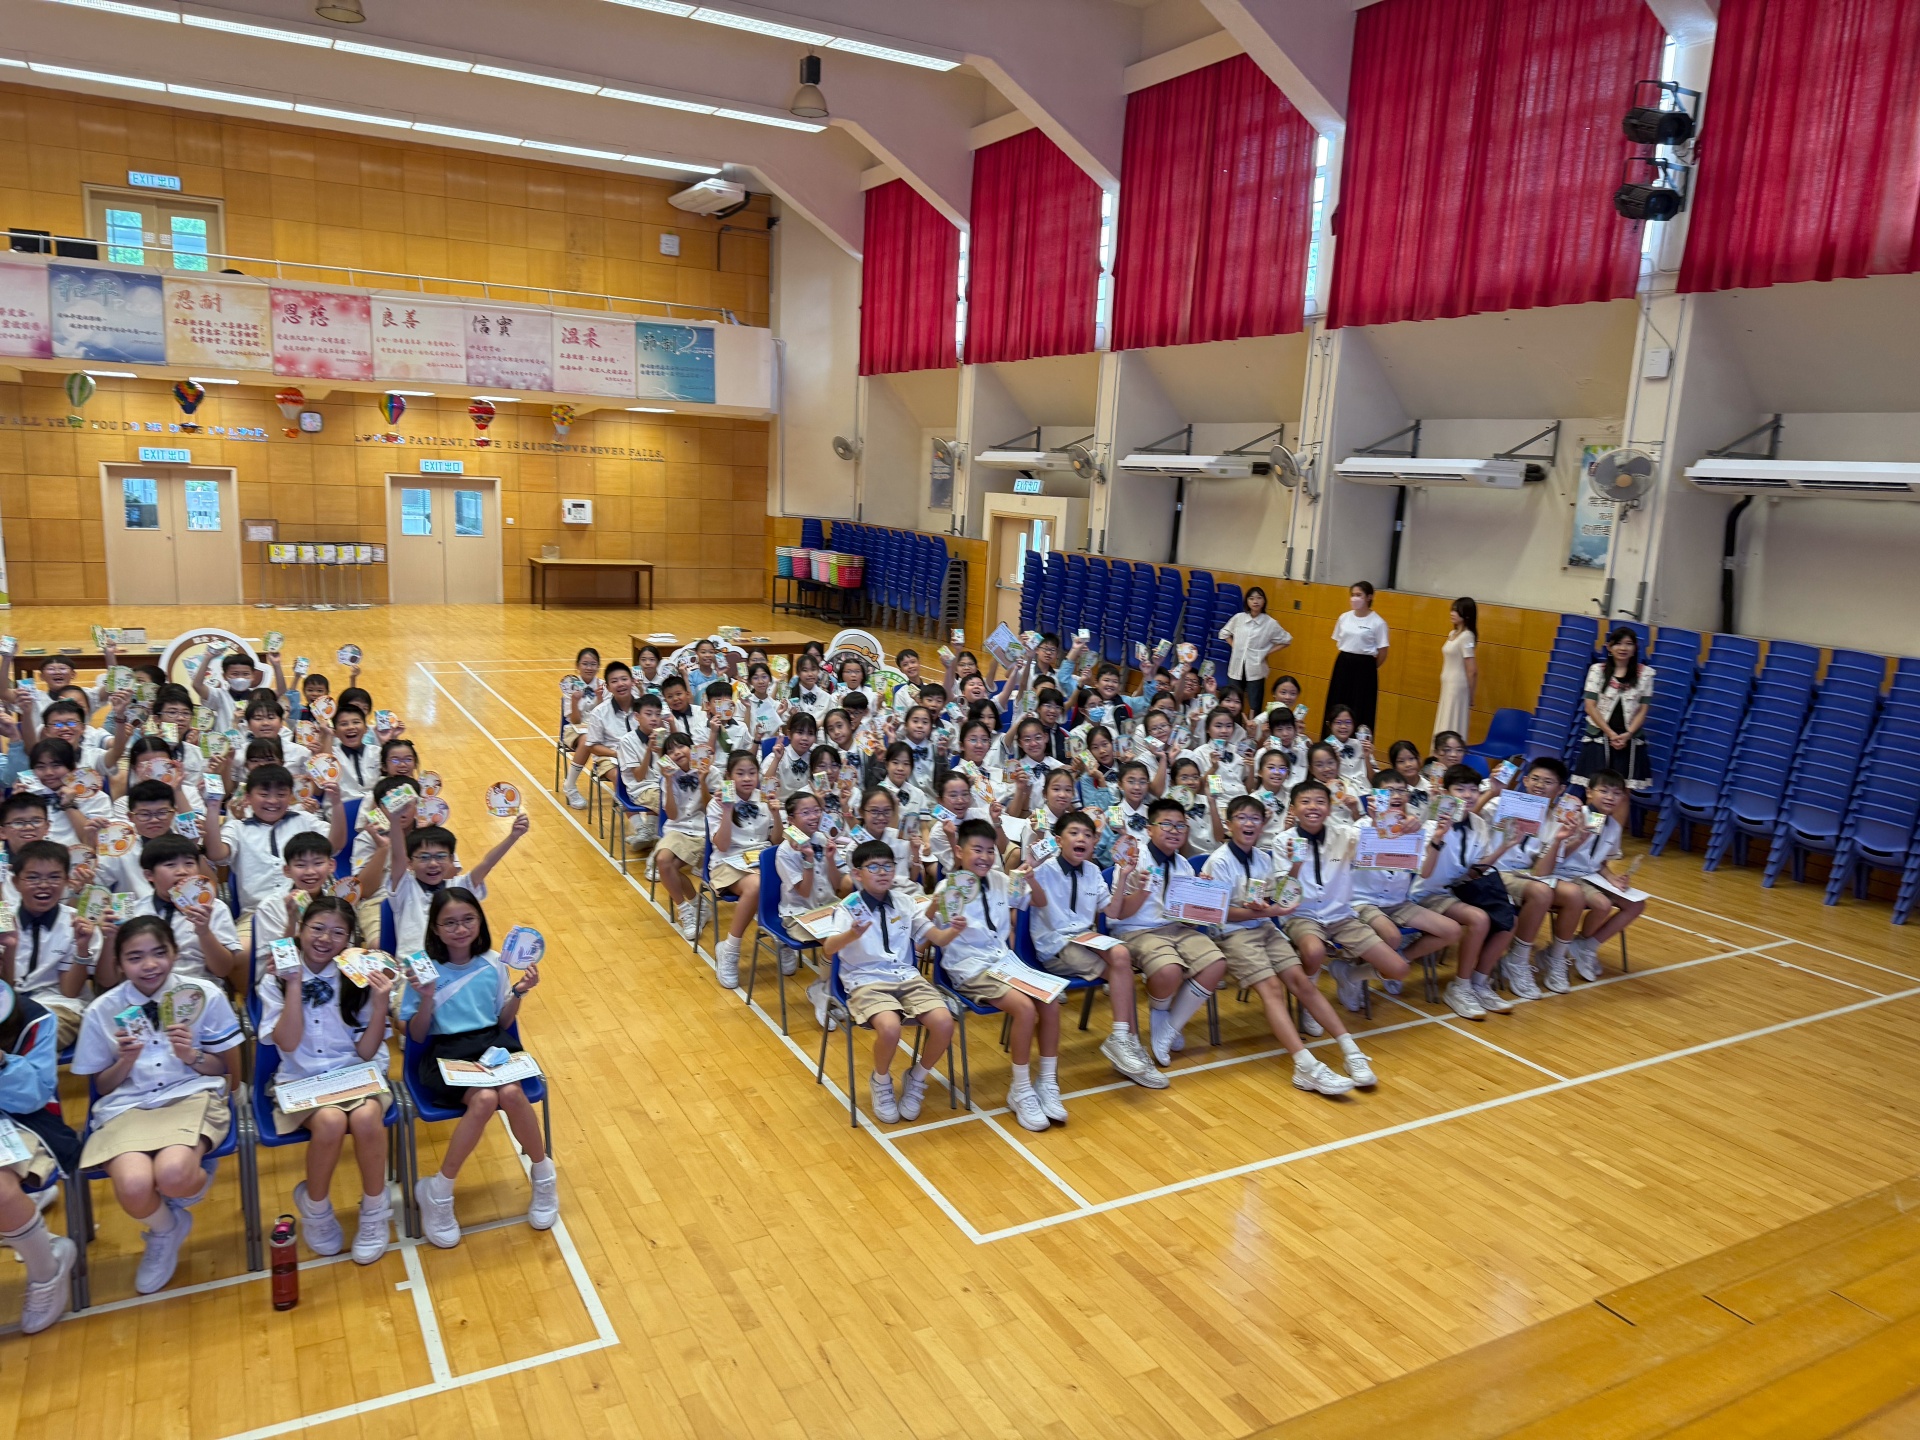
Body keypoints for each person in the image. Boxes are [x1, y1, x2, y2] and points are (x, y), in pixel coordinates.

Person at [71, 917, 244, 1294]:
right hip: (128, 1105)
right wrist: (125, 1061)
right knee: (133, 1186)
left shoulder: (203, 995)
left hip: (191, 1094)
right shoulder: (102, 1010)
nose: (149, 965)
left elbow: (226, 1070)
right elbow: (102, 1085)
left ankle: (189, 1176)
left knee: (174, 1175)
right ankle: (166, 1229)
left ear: (175, 953)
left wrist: (191, 1054)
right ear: (118, 964)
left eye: (158, 953)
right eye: (135, 957)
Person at [402, 889, 556, 1247]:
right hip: (446, 1052)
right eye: (450, 923)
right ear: (435, 928)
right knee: (485, 1099)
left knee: (512, 1094)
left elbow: (501, 1021)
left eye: (468, 919)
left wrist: (519, 992)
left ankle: (544, 1176)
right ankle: (440, 1192)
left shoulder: (493, 962)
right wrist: (426, 998)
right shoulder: (422, 968)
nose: (460, 929)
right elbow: (417, 1034)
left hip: (492, 1046)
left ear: (479, 921)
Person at [1203, 797, 1372, 1093]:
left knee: (1302, 982)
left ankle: (1351, 1050)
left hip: (1264, 927)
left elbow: (1278, 897)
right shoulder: (1218, 862)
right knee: (1272, 988)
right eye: (1241, 818)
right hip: (1232, 933)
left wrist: (1294, 866)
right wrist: (1267, 911)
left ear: (1262, 825)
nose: (1249, 823)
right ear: (1228, 825)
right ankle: (1305, 1066)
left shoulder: (1263, 858)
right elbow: (1220, 912)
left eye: (1255, 819)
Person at [260, 897, 396, 1264]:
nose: (325, 938)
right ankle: (316, 1208)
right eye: (317, 928)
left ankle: (374, 1211)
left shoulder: (357, 977)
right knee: (332, 1121)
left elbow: (366, 1052)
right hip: (301, 1078)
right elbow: (287, 1042)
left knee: (367, 1117)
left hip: (352, 1072)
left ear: (349, 940)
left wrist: (380, 1005)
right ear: (301, 929)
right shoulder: (275, 978)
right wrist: (293, 985)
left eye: (337, 933)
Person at [930, 820, 1065, 1131]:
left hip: (1005, 963)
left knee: (1051, 1001)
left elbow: (1040, 903)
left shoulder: (1003, 880)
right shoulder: (948, 890)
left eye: (990, 851)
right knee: (1025, 1008)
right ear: (959, 851)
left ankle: (1047, 1082)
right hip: (968, 968)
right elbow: (930, 936)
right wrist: (939, 913)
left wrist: (1031, 878)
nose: (985, 857)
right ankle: (1020, 1089)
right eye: (977, 850)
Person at [819, 839, 957, 1124]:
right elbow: (829, 949)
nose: (882, 872)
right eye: (873, 867)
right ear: (857, 874)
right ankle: (881, 1081)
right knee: (890, 1027)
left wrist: (954, 929)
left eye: (888, 866)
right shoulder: (849, 907)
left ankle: (917, 1077)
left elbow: (938, 938)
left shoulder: (905, 903)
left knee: (945, 1022)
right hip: (866, 981)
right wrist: (852, 935)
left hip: (906, 976)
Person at [0, 977, 81, 1333]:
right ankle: (36, 1238)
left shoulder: (36, 1019)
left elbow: (34, 1095)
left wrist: (2, 1063)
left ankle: (46, 1271)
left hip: (21, 1121)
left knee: (1, 1191)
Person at [1575, 628, 1656, 793]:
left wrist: (1628, 734)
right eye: (1618, 643)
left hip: (1629, 739)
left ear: (1635, 648)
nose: (1623, 648)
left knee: (1622, 792)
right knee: (1595, 790)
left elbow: (1643, 710)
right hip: (1599, 736)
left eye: (1628, 644)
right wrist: (1611, 734)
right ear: (1609, 647)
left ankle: (1618, 815)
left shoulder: (1646, 675)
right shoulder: (1597, 671)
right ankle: (1595, 814)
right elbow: (1590, 706)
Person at [1325, 581, 1389, 732]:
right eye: (1352, 595)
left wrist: (1369, 668)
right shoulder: (1344, 617)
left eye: (1359, 595)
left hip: (1365, 667)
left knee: (1361, 705)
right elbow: (1340, 640)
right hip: (1343, 663)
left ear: (1369, 597)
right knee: (1337, 701)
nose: (1354, 598)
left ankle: (1359, 740)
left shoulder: (1378, 622)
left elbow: (1383, 651)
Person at [1218, 586, 1291, 713]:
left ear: (1264, 601)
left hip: (1256, 668)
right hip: (1236, 666)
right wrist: (1234, 646)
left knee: (1254, 704)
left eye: (1259, 598)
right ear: (1247, 601)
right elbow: (1224, 633)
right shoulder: (1239, 618)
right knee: (1232, 699)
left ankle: (1252, 725)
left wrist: (1267, 652)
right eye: (1251, 598)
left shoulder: (1270, 623)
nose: (1255, 601)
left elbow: (1287, 640)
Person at [1434, 597, 1478, 749]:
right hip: (1447, 686)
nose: (1452, 613)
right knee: (1444, 719)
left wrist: (1471, 694)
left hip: (1457, 687)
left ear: (1466, 615)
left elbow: (1472, 670)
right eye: (1452, 610)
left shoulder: (1467, 636)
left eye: (1457, 611)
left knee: (1451, 720)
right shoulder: (1452, 633)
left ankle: (1451, 751)